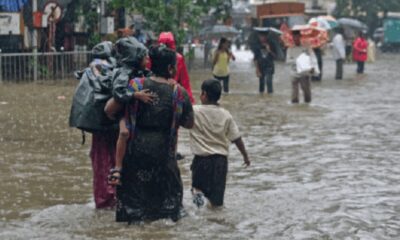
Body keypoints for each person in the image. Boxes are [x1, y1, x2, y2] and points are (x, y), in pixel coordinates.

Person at [109, 45, 194, 222]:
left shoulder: (136, 85)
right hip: (164, 154)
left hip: (135, 152)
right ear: (170, 69)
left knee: (134, 209)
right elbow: (189, 123)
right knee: (166, 210)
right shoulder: (179, 93)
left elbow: (111, 109)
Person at [104, 37, 156, 190]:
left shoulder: (140, 71)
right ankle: (118, 168)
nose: (146, 59)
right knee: (125, 132)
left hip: (131, 109)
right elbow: (119, 93)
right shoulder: (123, 73)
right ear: (135, 57)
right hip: (122, 109)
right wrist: (135, 95)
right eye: (143, 56)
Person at [189, 79, 250, 208]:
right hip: (220, 163)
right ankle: (216, 223)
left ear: (204, 94)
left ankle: (198, 211)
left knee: (197, 189)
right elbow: (236, 138)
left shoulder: (194, 111)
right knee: (217, 203)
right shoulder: (226, 114)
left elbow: (181, 121)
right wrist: (245, 156)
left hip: (201, 161)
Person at [158, 32, 195, 103]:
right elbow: (185, 83)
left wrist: (190, 100)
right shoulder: (178, 58)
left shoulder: (178, 59)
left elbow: (185, 82)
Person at [286, 31, 318, 103]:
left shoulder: (306, 47)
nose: (295, 39)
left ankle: (307, 107)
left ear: (300, 37)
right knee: (294, 96)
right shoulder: (290, 48)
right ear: (292, 38)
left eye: (297, 37)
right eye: (294, 37)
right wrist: (297, 60)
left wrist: (313, 67)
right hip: (294, 73)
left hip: (304, 73)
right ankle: (295, 110)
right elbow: (287, 61)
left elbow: (312, 57)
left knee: (307, 94)